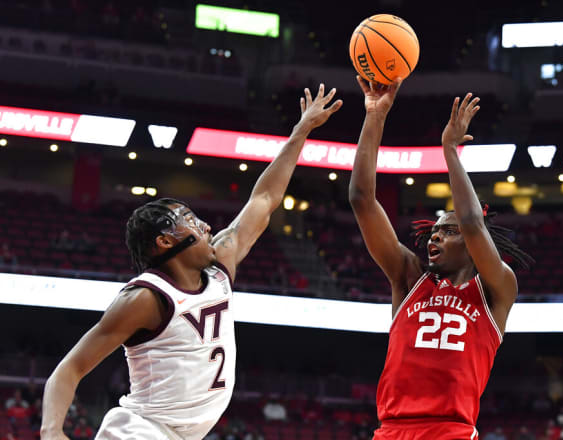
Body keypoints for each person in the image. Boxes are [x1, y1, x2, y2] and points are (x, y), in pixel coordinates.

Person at [40, 83, 343, 440]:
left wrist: (301, 130)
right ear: (165, 241)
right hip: (141, 432)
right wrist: (51, 431)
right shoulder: (144, 299)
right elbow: (70, 368)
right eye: (191, 221)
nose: (207, 226)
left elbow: (264, 198)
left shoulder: (219, 268)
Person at [348, 77, 534, 440]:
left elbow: (470, 221)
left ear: (471, 244)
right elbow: (360, 199)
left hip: (451, 431)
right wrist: (374, 115)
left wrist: (449, 150)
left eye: (446, 231)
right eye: (434, 230)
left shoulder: (496, 287)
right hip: (391, 431)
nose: (435, 234)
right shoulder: (409, 278)